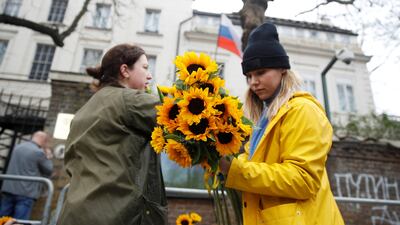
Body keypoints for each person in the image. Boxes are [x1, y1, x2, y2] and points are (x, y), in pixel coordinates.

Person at [219, 22, 345, 225]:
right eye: (249, 76)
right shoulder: (264, 119)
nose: (253, 82)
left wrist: (235, 170)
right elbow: (256, 165)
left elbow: (302, 180)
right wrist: (219, 159)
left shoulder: (302, 110)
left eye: (260, 73)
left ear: (282, 71)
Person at [56, 44, 167, 225]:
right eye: (145, 67)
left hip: (74, 214)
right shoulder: (131, 100)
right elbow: (181, 117)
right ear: (125, 70)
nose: (150, 75)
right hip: (115, 214)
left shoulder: (86, 108)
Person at [0, 131, 53, 220]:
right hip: (25, 192)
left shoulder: (17, 147)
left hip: (9, 189)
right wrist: (48, 156)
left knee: (2, 219)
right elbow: (49, 170)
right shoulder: (38, 152)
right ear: (43, 140)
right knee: (19, 221)